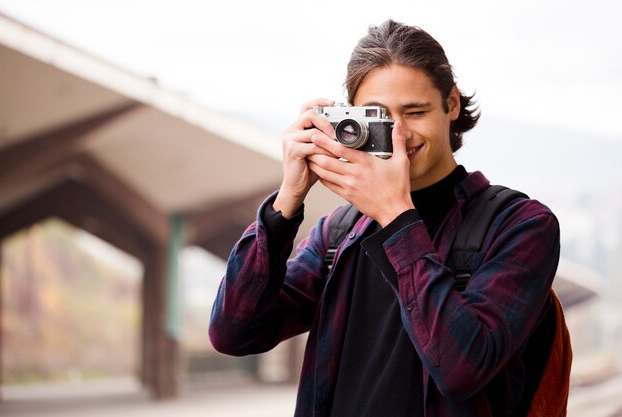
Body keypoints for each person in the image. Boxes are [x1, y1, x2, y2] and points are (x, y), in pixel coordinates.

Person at [209, 19, 561, 417]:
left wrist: (395, 215)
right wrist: (287, 201)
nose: (398, 134)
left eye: (415, 112)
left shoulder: (519, 225)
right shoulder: (339, 233)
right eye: (377, 117)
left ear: (452, 104)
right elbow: (233, 333)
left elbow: (462, 368)